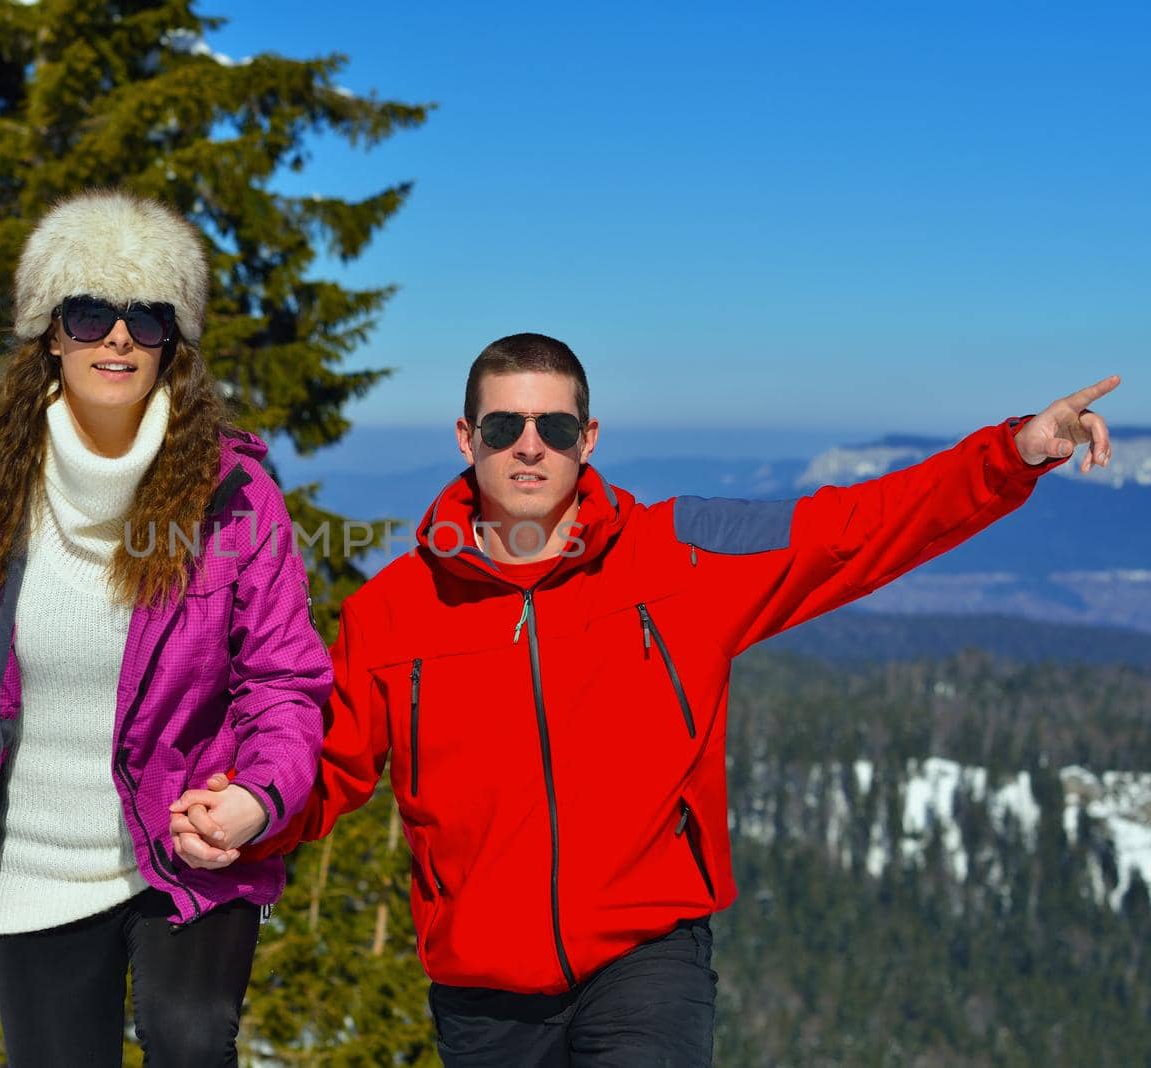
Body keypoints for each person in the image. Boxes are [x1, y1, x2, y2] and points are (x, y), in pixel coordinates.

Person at [170, 332, 1120, 1066]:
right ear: (467, 439)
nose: (528, 448)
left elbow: (853, 531)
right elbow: (326, 762)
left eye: (553, 427)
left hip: (646, 957)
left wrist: (1016, 454)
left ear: (589, 437)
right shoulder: (393, 611)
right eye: (503, 427)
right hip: (482, 989)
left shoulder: (684, 558)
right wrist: (248, 812)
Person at [0, 189, 331, 1067]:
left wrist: (257, 798)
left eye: (147, 318)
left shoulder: (234, 494)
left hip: (190, 847)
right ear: (52, 332)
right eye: (90, 312)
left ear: (171, 346)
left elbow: (285, 680)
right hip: (34, 862)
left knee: (189, 1041)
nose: (118, 337)